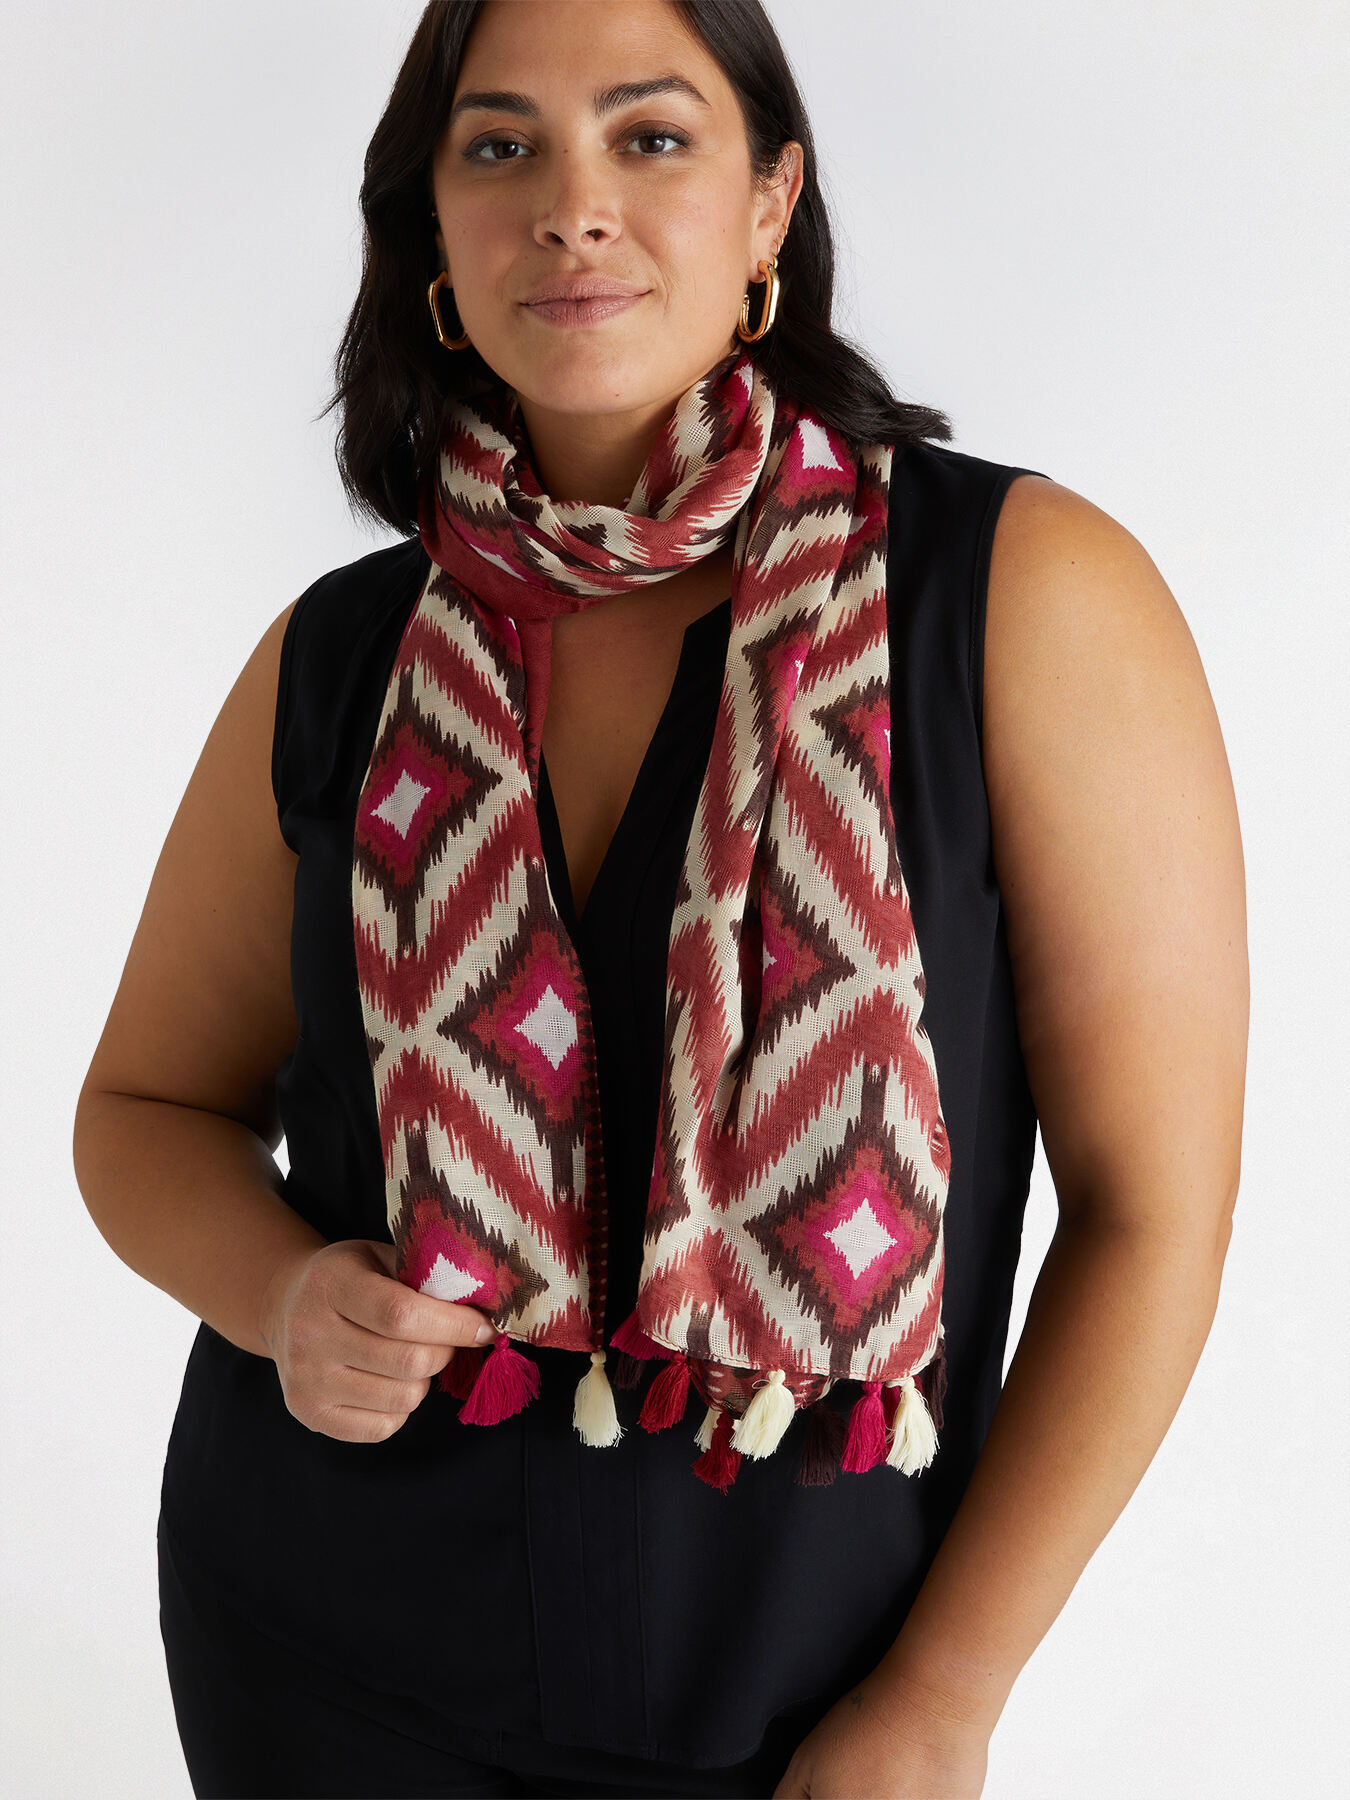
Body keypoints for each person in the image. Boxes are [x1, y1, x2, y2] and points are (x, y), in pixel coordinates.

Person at [71, 2, 1249, 1797]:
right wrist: (282, 1293)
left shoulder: (1015, 597)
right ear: (434, 236)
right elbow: (142, 1111)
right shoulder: (343, 656)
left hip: (809, 1709)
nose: (571, 204)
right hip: (318, 1669)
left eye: (650, 136)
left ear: (769, 203)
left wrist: (942, 1700)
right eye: (499, 147)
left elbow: (1149, 1215)